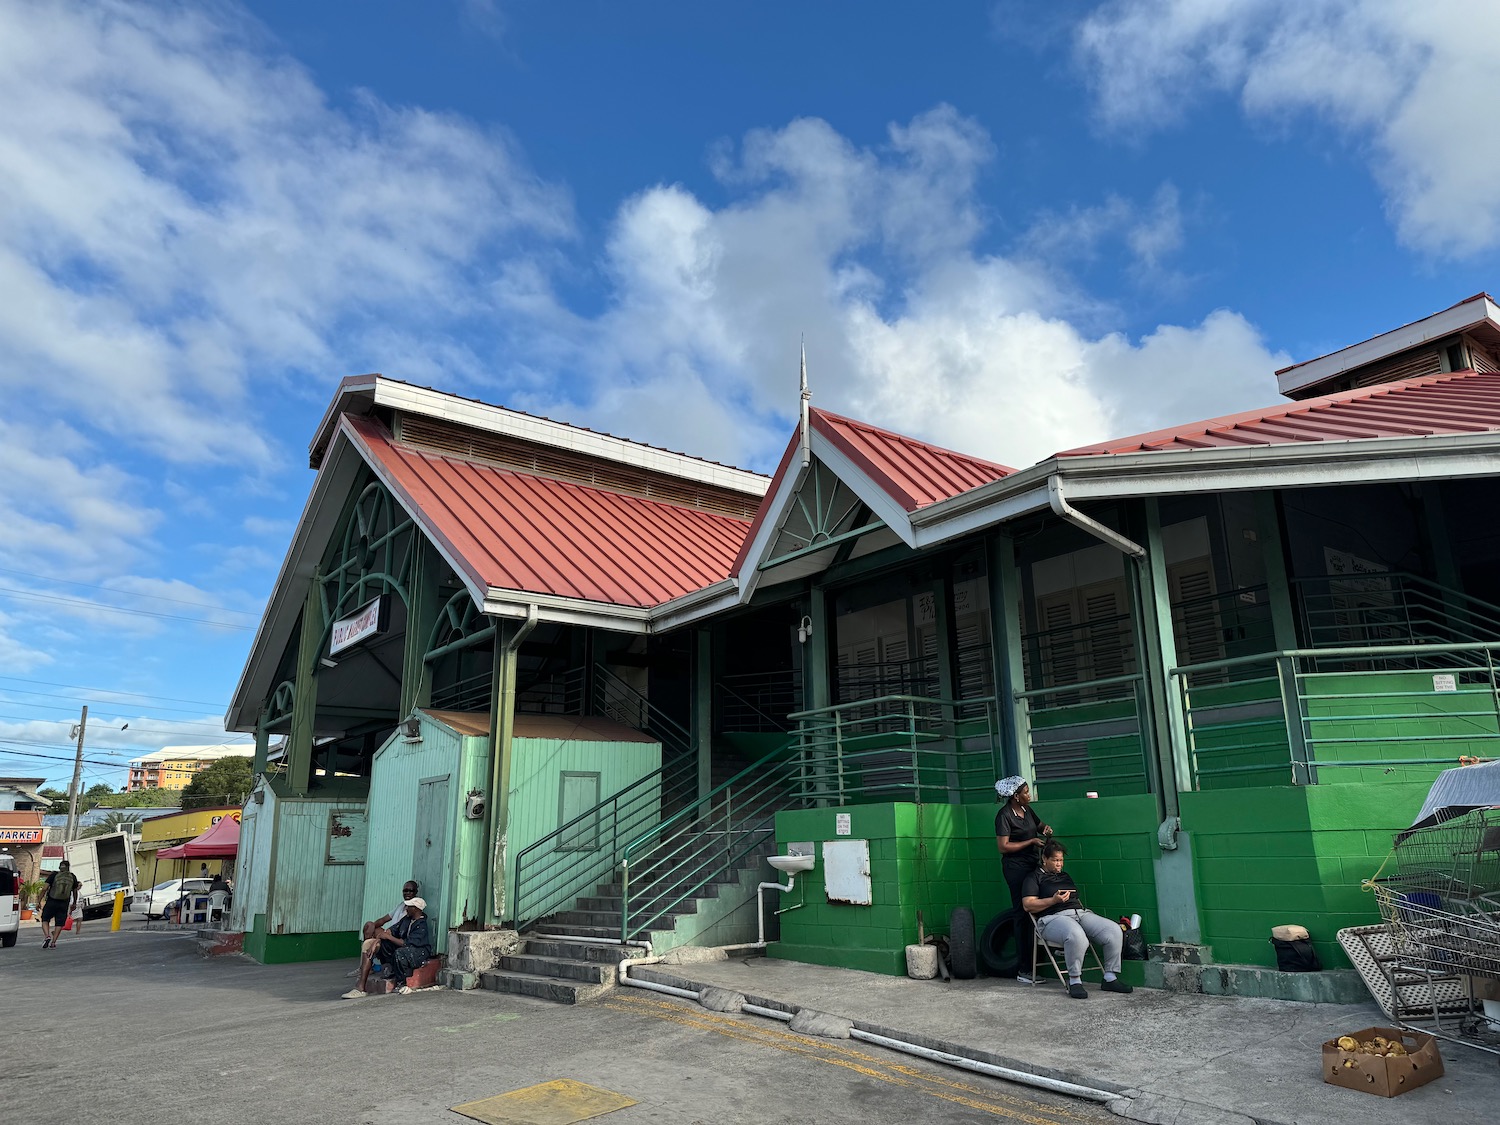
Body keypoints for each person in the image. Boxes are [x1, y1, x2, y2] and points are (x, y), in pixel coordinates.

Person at [1022, 840, 1133, 999]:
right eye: (1055, 860)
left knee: (1114, 930)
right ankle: (1074, 981)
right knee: (1076, 935)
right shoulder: (1033, 877)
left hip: (1079, 913)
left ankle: (1110, 977)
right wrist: (1053, 901)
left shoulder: (1064, 876)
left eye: (1061, 860)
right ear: (1044, 859)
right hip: (1051, 919)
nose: (1059, 864)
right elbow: (1028, 905)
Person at [995, 776, 1050, 983]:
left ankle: (1038, 961)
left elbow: (1039, 825)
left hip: (1032, 866)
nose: (1029, 795)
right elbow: (1003, 846)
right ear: (1016, 797)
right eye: (1026, 792)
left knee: (1039, 908)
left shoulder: (1027, 811)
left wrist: (1045, 830)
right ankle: (1024, 969)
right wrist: (1031, 842)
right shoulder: (1004, 816)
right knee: (1022, 914)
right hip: (1015, 869)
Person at [343, 879, 419, 999]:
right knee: (369, 925)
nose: (407, 893)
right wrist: (374, 927)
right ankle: (368, 966)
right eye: (405, 890)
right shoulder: (401, 906)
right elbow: (384, 920)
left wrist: (383, 937)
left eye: (410, 890)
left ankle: (361, 987)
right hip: (388, 935)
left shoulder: (413, 912)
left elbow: (402, 937)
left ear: (416, 892)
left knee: (369, 945)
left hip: (394, 941)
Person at [40, 860, 80, 949]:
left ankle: (47, 936)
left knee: (45, 919)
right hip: (64, 902)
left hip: (51, 901)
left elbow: (44, 888)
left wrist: (38, 900)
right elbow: (75, 891)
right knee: (59, 923)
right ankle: (53, 942)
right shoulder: (72, 877)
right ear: (68, 867)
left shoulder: (54, 875)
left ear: (59, 867)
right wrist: (74, 903)